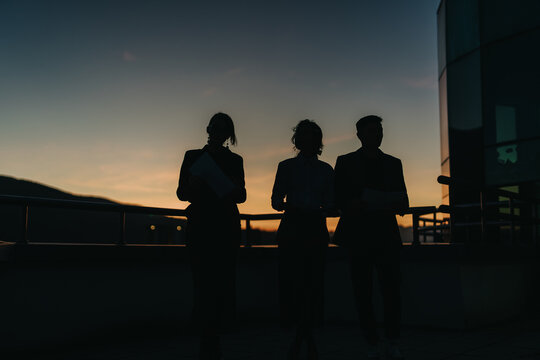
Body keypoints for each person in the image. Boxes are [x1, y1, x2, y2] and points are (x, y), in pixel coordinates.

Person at [334, 115, 408, 360]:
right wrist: (352, 203)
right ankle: (373, 342)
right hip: (359, 235)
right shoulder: (345, 162)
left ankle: (391, 340)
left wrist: (396, 203)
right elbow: (337, 199)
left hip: (385, 234)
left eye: (379, 131)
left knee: (391, 291)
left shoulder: (394, 163)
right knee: (362, 291)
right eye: (372, 131)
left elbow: (404, 201)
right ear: (359, 135)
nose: (377, 135)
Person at [176, 112, 246, 360]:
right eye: (215, 127)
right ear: (208, 129)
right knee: (203, 279)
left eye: (223, 128)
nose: (218, 132)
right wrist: (192, 184)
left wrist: (230, 186)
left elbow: (241, 195)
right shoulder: (193, 156)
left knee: (222, 280)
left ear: (228, 134)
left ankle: (214, 333)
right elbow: (181, 192)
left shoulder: (235, 160)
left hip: (225, 225)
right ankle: (207, 334)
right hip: (202, 225)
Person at [271, 120, 334, 360]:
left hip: (311, 226)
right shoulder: (287, 167)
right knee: (296, 282)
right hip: (297, 226)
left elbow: (331, 201)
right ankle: (304, 336)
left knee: (311, 282)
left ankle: (302, 335)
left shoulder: (326, 170)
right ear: (298, 141)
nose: (307, 141)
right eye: (304, 137)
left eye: (311, 137)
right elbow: (276, 200)